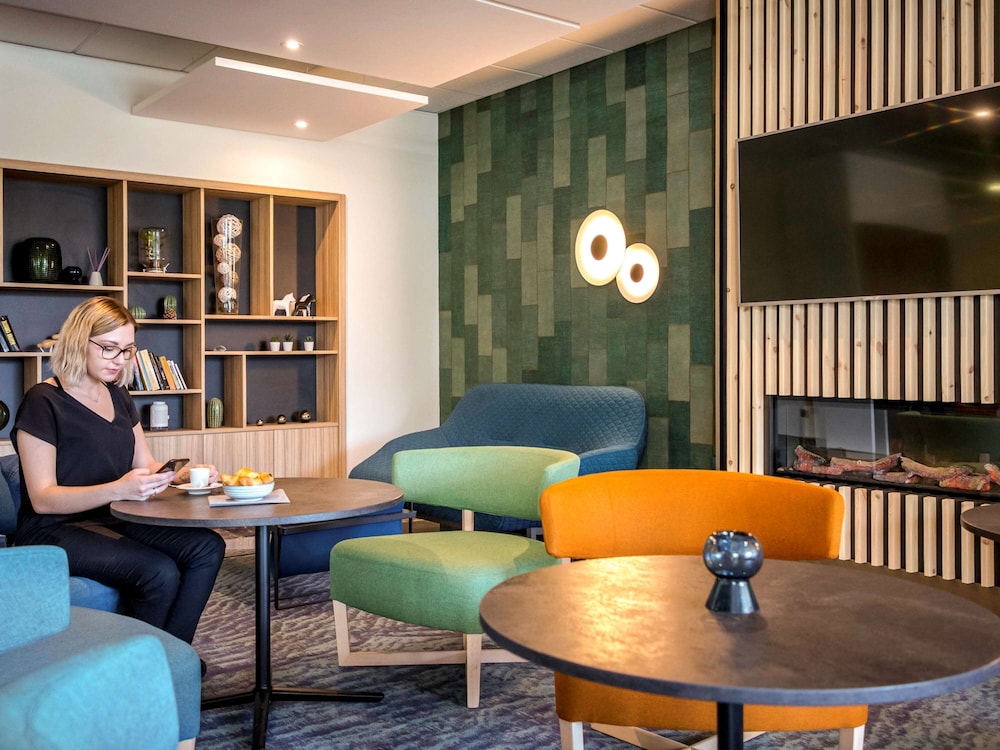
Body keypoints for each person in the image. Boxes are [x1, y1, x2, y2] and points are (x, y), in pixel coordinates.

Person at [12, 296, 225, 647]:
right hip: (54, 528)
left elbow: (145, 464)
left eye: (127, 350)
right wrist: (118, 489)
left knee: (206, 547)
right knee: (157, 571)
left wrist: (181, 475)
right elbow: (43, 499)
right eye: (109, 348)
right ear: (79, 341)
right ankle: (138, 663)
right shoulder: (43, 401)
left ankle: (172, 656)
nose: (120, 360)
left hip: (114, 515)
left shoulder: (119, 396)